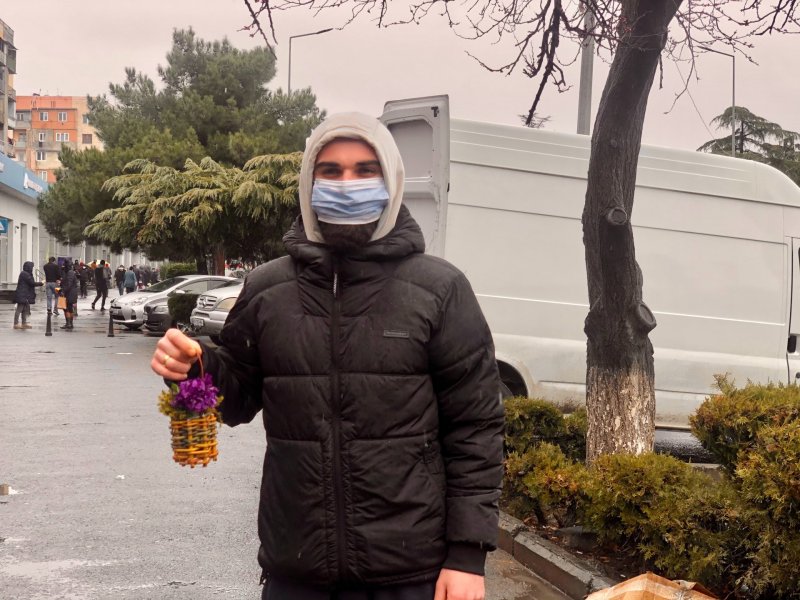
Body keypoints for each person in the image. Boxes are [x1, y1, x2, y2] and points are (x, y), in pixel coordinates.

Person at [151, 113, 504, 600]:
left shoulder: (439, 288)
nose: (347, 183)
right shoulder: (268, 288)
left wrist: (467, 556)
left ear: (391, 181)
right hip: (297, 569)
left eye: (365, 170)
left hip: (409, 573)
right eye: (331, 171)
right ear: (309, 182)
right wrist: (194, 369)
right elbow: (236, 400)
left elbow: (475, 428)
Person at [13, 261, 44, 330]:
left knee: (24, 309)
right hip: (22, 294)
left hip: (25, 294)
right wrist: (41, 283)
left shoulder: (26, 273)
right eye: (31, 267)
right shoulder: (25, 274)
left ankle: (24, 323)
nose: (32, 268)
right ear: (28, 267)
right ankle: (15, 324)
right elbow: (31, 283)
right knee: (19, 309)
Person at [59, 262, 78, 330]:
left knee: (66, 308)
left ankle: (69, 323)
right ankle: (70, 323)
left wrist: (63, 291)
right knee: (69, 308)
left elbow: (68, 284)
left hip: (69, 293)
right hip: (70, 292)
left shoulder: (70, 273)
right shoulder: (69, 272)